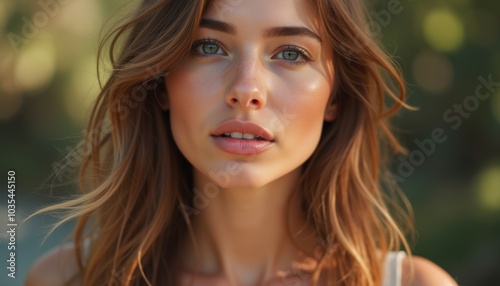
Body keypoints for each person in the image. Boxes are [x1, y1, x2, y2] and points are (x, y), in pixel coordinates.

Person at [25, 0, 458, 285]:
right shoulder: (65, 279)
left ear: (337, 96)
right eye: (209, 45)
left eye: (291, 53)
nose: (247, 88)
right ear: (159, 83)